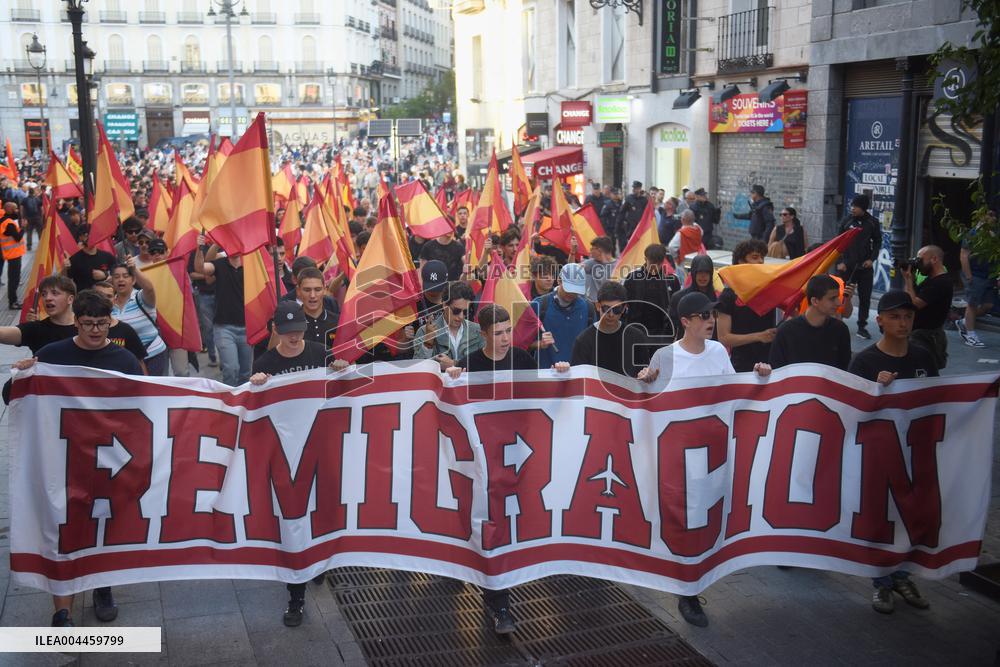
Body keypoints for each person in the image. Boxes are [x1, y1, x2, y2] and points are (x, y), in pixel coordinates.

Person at [638, 291, 769, 627]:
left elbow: (733, 391)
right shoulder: (665, 357)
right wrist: (645, 383)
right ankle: (687, 591)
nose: (710, 321)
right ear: (685, 321)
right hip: (678, 458)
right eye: (703, 316)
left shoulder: (717, 352)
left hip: (714, 453)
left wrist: (759, 377)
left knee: (707, 518)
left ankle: (695, 580)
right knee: (684, 519)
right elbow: (647, 404)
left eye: (712, 315)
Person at [13, 289, 143, 627]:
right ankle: (62, 612)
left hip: (109, 464)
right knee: (62, 532)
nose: (96, 330)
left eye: (102, 324)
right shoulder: (51, 355)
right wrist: (24, 375)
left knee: (104, 530)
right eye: (89, 324)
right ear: (76, 323)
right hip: (61, 462)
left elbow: (147, 405)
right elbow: (12, 399)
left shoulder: (124, 361)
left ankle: (102, 586)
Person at [446, 304, 569, 636]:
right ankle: (499, 602)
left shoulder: (524, 361)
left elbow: (544, 399)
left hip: (519, 460)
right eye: (497, 333)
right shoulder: (470, 365)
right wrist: (453, 376)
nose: (504, 338)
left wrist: (560, 374)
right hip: (484, 466)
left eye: (507, 332)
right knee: (491, 528)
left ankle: (500, 589)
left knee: (512, 526)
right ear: (483, 334)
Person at [247, 301, 347, 627]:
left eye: (299, 331)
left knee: (322, 512)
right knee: (293, 521)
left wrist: (342, 370)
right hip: (286, 458)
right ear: (276, 331)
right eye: (288, 333)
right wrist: (257, 386)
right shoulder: (266, 362)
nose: (294, 338)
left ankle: (317, 562)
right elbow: (253, 411)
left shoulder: (320, 352)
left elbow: (345, 388)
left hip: (321, 449)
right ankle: (296, 594)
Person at [847, 290, 936, 614]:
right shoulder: (866, 362)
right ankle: (882, 583)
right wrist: (876, 390)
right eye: (896, 317)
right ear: (879, 320)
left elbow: (936, 402)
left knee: (910, 519)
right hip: (878, 458)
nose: (903, 323)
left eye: (908, 316)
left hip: (914, 454)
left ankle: (903, 576)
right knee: (881, 521)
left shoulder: (923, 356)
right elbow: (851, 412)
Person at [717, 240, 777, 372]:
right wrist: (758, 336)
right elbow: (724, 338)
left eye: (762, 257)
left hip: (771, 365)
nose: (760, 261)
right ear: (741, 262)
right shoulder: (728, 296)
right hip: (742, 368)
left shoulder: (769, 290)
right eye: (755, 257)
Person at [769, 274, 852, 371]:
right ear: (815, 301)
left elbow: (843, 371)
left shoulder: (840, 330)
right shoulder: (786, 331)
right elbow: (775, 370)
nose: (838, 303)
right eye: (832, 298)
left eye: (838, 297)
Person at [198, 244, 253, 386]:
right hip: (224, 328)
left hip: (247, 328)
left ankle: (243, 403)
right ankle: (229, 402)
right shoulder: (220, 263)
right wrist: (210, 245)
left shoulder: (252, 264)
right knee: (231, 369)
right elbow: (200, 268)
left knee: (246, 372)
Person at [570, 281, 646, 378]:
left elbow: (644, 372)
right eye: (606, 308)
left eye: (616, 309)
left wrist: (647, 374)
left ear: (624, 308)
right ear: (598, 306)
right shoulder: (583, 341)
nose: (611, 314)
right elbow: (577, 378)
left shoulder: (636, 337)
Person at [109, 259, 168, 375]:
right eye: (116, 277)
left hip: (152, 354)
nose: (121, 279)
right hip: (125, 359)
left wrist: (134, 268)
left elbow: (150, 288)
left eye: (125, 276)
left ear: (133, 279)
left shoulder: (141, 297)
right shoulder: (108, 304)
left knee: (152, 391)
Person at [532, 263, 595, 369]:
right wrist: (539, 344)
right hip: (545, 375)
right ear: (559, 280)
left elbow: (593, 345)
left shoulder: (588, 308)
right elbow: (521, 343)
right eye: (569, 288)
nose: (572, 293)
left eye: (576, 290)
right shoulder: (538, 305)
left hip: (577, 375)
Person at [836, 194, 881, 339]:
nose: (852, 208)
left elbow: (878, 242)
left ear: (863, 208)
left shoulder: (872, 222)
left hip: (864, 267)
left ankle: (862, 326)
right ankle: (839, 321)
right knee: (843, 294)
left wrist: (871, 259)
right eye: (852, 206)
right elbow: (839, 242)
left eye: (855, 206)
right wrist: (840, 262)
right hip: (847, 265)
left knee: (865, 297)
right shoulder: (846, 221)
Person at [903, 245, 953, 370]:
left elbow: (913, 304)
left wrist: (908, 280)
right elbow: (908, 298)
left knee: (922, 372)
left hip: (926, 338)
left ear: (934, 259)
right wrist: (911, 280)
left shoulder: (940, 283)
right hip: (921, 335)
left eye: (920, 260)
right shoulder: (930, 280)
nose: (918, 263)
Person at [413, 281, 483, 370]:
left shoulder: (478, 331)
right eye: (456, 311)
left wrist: (455, 364)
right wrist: (428, 344)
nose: (461, 316)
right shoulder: (424, 332)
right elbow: (418, 370)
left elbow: (485, 366)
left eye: (465, 312)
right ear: (444, 305)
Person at [0, 274, 77, 354]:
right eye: (44, 294)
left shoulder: (85, 327)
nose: (48, 298)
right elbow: (3, 333)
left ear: (70, 299)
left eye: (55, 293)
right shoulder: (37, 329)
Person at [624, 244, 678, 353]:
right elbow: (624, 306)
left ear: (663, 261)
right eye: (651, 263)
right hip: (637, 330)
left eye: (658, 264)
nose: (654, 268)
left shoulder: (671, 280)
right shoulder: (632, 279)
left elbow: (676, 307)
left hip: (662, 333)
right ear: (645, 259)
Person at [957, 227, 997, 348]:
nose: (992, 218)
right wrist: (969, 276)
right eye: (990, 215)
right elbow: (963, 255)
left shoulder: (994, 234)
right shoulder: (973, 234)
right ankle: (970, 335)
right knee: (972, 304)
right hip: (976, 274)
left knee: (988, 305)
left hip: (989, 275)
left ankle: (964, 322)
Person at [93, 280, 149, 366]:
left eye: (108, 296)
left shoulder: (125, 330)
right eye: (99, 295)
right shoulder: (78, 328)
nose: (103, 299)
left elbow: (139, 362)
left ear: (114, 300)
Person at [669, 254, 718, 341]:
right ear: (693, 273)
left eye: (706, 272)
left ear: (711, 274)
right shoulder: (679, 298)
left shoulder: (717, 299)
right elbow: (670, 329)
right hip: (685, 348)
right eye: (699, 272)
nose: (703, 276)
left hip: (710, 348)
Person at [65, 224, 116, 292]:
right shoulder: (74, 259)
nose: (90, 238)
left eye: (93, 235)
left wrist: (105, 275)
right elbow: (68, 281)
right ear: (80, 237)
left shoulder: (107, 256)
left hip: (104, 298)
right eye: (86, 235)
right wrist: (65, 268)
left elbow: (116, 275)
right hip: (83, 299)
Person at [0, 200, 26, 308]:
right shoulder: (9, 223)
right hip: (13, 254)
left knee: (13, 278)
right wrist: (23, 227)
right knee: (14, 279)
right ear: (10, 210)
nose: (17, 210)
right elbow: (18, 237)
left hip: (11, 254)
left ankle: (13, 301)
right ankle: (13, 302)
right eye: (15, 208)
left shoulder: (4, 220)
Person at [614, 181, 647, 253]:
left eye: (637, 188)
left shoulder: (644, 200)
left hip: (641, 227)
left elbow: (647, 213)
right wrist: (617, 227)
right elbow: (622, 213)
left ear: (640, 189)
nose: (635, 190)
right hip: (630, 227)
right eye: (634, 188)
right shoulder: (629, 198)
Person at [582, 236, 616, 303]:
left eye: (592, 249)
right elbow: (571, 270)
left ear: (599, 250)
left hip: (611, 305)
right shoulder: (592, 262)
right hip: (594, 304)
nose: (590, 251)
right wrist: (572, 253)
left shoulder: (619, 265)